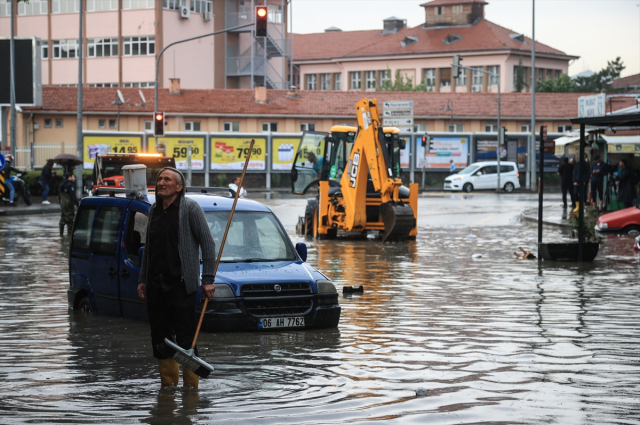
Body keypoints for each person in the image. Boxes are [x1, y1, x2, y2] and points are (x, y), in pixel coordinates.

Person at [137, 167, 216, 390]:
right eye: (159, 179)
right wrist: (143, 278)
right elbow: (149, 248)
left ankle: (191, 392)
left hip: (181, 285)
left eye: (167, 180)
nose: (161, 182)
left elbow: (208, 244)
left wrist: (208, 279)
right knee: (160, 340)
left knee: (185, 340)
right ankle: (168, 391)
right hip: (155, 286)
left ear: (178, 187)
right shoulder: (153, 210)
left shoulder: (190, 209)